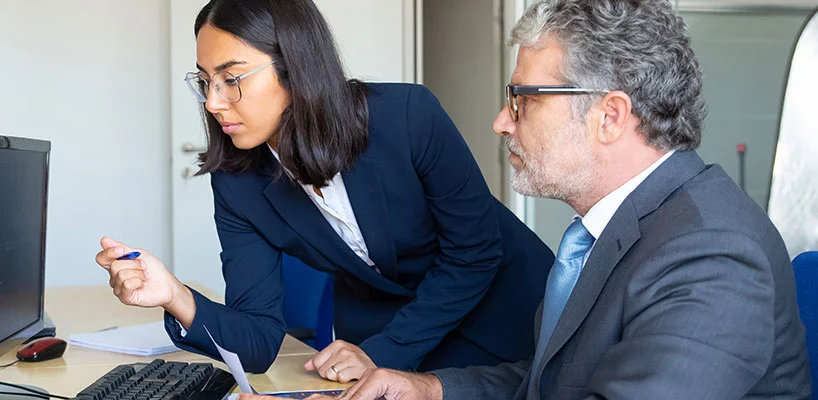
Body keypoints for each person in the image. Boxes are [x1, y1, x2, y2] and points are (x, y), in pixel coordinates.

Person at [275, 0, 814, 398]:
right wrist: (428, 389)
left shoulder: (710, 253)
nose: (501, 122)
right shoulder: (615, 227)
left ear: (610, 116)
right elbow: (551, 382)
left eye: (522, 100)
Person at [92, 0, 554, 380]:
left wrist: (384, 351)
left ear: (294, 67)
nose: (213, 103)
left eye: (231, 79)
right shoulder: (238, 182)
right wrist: (175, 295)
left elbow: (473, 254)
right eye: (205, 81)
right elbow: (256, 341)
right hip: (386, 331)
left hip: (507, 310)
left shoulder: (408, 116)